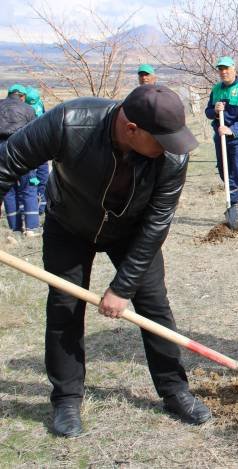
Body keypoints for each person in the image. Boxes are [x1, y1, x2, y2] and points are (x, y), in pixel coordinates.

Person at [0, 85, 211, 437]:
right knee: (64, 307)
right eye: (160, 141)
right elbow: (7, 163)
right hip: (69, 224)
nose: (168, 149)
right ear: (132, 129)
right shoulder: (69, 121)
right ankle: (66, 398)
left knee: (154, 306)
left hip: (132, 231)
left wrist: (122, 287)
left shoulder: (174, 155)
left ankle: (175, 391)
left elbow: (157, 222)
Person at [204, 56, 238, 229]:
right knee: (225, 171)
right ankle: (234, 207)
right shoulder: (216, 89)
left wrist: (231, 130)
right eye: (220, 69)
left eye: (226, 68)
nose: (223, 72)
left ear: (234, 68)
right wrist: (214, 110)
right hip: (220, 137)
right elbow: (208, 112)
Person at [0, 85, 40, 236]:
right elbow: (35, 132)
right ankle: (32, 228)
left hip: (1, 152)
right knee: (29, 187)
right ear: (22, 96)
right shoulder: (28, 109)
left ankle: (14, 228)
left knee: (8, 190)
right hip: (22, 152)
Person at [25, 86, 49, 215]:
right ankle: (35, 206)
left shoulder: (38, 104)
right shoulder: (26, 107)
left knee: (41, 176)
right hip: (34, 146)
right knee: (34, 178)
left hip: (39, 145)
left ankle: (41, 206)